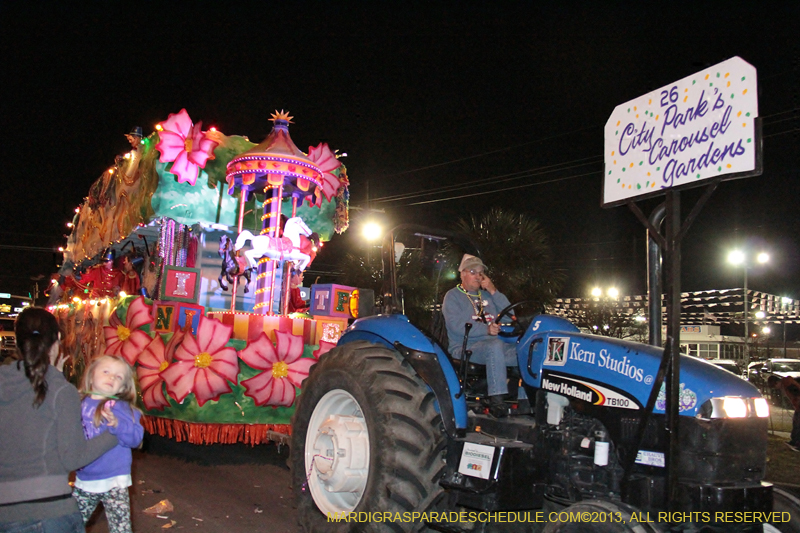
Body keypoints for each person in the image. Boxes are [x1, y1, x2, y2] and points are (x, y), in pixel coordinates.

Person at [0, 307, 118, 532]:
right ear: (58, 340)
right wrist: (115, 433)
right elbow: (73, 458)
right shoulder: (61, 391)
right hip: (49, 512)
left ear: (18, 341)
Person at [73, 355, 144, 533]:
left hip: (114, 480)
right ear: (91, 376)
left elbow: (136, 439)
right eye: (106, 371)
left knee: (121, 529)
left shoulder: (120, 407)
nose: (112, 377)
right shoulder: (77, 402)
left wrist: (117, 424)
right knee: (70, 524)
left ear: (123, 387)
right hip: (84, 478)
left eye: (119, 376)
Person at [442, 254, 517, 417]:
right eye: (472, 272)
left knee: (526, 350)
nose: (478, 276)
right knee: (494, 346)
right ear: (462, 274)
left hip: (495, 346)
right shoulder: (453, 296)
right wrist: (486, 330)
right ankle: (497, 401)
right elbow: (456, 326)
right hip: (465, 347)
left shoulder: (488, 296)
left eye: (481, 273)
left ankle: (526, 401)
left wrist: (493, 290)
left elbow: (511, 317)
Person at [779, 376, 800, 452]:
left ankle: (797, 443)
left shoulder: (791, 385)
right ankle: (794, 441)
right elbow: (791, 398)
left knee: (798, 424)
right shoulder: (788, 387)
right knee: (796, 422)